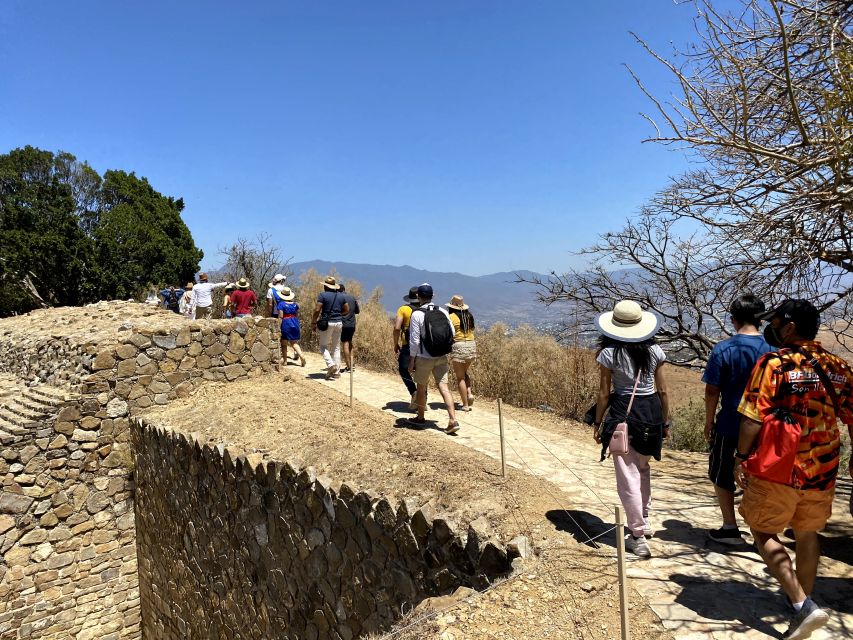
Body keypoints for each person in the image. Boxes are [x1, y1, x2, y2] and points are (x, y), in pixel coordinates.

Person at [735, 299, 853, 639]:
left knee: (762, 531)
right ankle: (802, 600)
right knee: (807, 533)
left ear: (788, 327)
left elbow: (752, 418)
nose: (771, 327)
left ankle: (802, 605)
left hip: (779, 467)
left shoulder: (773, 363)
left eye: (774, 322)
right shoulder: (838, 366)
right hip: (824, 469)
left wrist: (741, 458)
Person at [592, 300, 669, 558]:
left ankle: (637, 535)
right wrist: (665, 421)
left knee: (627, 475)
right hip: (652, 412)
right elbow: (663, 390)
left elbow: (604, 393)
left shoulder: (608, 355)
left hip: (624, 412)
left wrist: (598, 422)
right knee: (643, 468)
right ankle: (644, 521)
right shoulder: (656, 351)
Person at [702, 294, 772, 545]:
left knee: (722, 473)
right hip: (767, 428)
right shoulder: (774, 350)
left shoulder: (724, 349)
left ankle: (730, 527)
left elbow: (712, 390)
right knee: (762, 477)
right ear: (762, 321)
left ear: (733, 320)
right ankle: (762, 531)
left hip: (730, 423)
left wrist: (709, 421)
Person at [407, 283, 459, 434]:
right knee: (444, 387)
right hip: (441, 355)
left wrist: (412, 360)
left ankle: (420, 417)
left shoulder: (417, 314)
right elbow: (452, 332)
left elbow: (415, 340)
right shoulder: (442, 310)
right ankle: (452, 420)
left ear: (418, 297)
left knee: (421, 387)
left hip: (424, 357)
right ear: (433, 296)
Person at [311, 276, 350, 379]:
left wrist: (313, 322)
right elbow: (347, 309)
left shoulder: (322, 295)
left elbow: (317, 310)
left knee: (323, 346)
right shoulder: (341, 296)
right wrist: (339, 314)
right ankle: (336, 372)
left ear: (325, 286)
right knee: (336, 347)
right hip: (339, 323)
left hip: (327, 323)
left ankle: (330, 365)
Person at [447, 295, 476, 412]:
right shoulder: (469, 315)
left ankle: (465, 405)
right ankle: (469, 394)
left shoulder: (451, 317)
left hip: (459, 346)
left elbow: (449, 332)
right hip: (471, 345)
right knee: (464, 372)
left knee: (460, 378)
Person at [393, 287, 421, 409]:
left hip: (408, 345)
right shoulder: (425, 309)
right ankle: (421, 399)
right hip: (424, 346)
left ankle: (413, 392)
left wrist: (395, 343)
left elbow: (397, 328)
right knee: (422, 372)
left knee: (403, 370)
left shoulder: (403, 309)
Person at [277, 286, 306, 367]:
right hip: (295, 322)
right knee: (294, 343)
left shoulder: (281, 304)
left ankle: (285, 361)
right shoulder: (295, 304)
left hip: (286, 323)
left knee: (284, 343)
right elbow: (296, 315)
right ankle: (301, 355)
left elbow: (281, 316)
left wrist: (278, 326)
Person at [338, 283, 360, 373]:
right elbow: (357, 311)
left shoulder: (339, 298)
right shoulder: (352, 297)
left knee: (345, 344)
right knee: (350, 343)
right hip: (352, 324)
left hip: (343, 324)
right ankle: (352, 363)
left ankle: (348, 366)